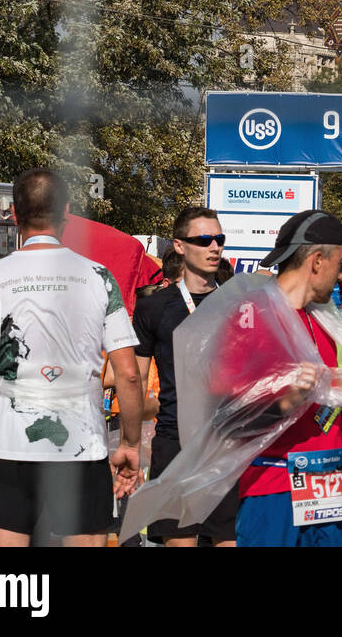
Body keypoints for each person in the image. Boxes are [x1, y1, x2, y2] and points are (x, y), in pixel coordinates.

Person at [0, 168, 144, 547]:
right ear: (67, 213)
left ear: (14, 215)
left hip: (8, 446)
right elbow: (128, 375)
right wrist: (131, 445)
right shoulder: (98, 276)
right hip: (81, 448)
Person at [212, 210, 342, 547]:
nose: (341, 273)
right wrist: (286, 400)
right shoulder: (251, 315)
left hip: (331, 485)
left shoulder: (322, 319)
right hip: (274, 486)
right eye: (339, 262)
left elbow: (330, 422)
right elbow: (227, 421)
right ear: (317, 261)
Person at [131, 207, 238, 547]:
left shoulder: (237, 303)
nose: (214, 247)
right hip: (174, 443)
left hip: (225, 444)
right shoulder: (154, 307)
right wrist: (130, 443)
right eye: (203, 240)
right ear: (179, 246)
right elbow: (135, 379)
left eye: (218, 239)